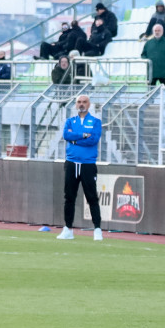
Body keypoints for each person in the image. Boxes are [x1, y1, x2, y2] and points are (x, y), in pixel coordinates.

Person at [57, 94, 103, 241]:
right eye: (79, 102)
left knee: (92, 197)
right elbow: (66, 135)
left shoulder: (95, 122)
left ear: (89, 104)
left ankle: (97, 229)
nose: (81, 104)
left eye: (84, 102)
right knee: (69, 197)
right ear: (76, 105)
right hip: (71, 163)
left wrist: (75, 139)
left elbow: (93, 140)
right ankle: (68, 229)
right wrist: (83, 135)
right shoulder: (70, 121)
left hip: (88, 164)